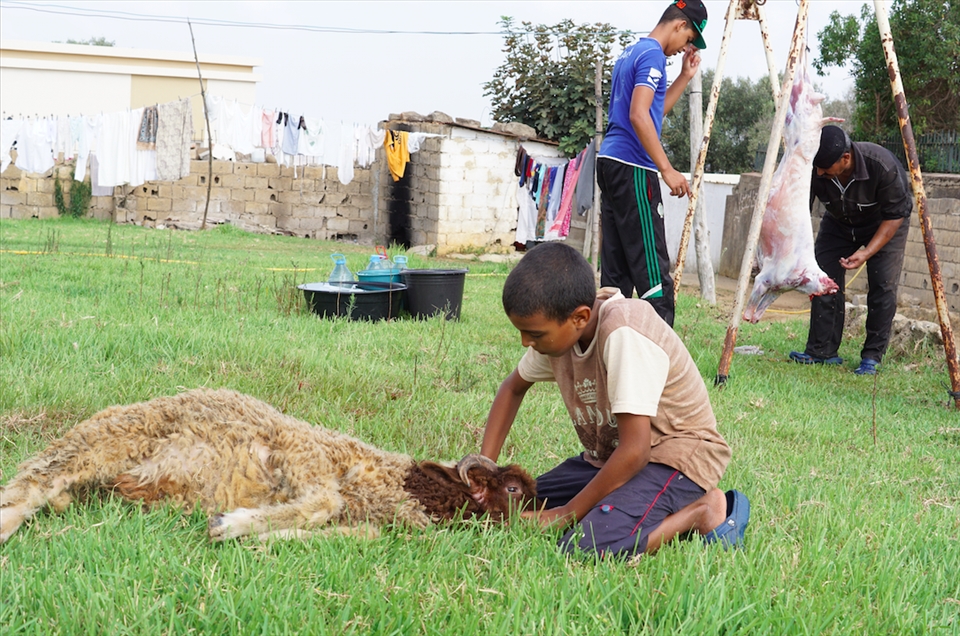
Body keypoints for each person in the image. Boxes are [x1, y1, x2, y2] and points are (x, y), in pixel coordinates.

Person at [478, 242, 748, 558]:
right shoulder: (558, 333)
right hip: (612, 460)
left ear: (580, 317)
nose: (526, 342)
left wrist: (566, 513)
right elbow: (512, 388)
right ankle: (625, 505)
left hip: (676, 459)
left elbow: (636, 450)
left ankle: (701, 510)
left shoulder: (623, 331)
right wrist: (485, 473)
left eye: (534, 334)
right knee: (513, 503)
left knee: (587, 544)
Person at [597, 0, 708, 327]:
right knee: (652, 272)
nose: (685, 48)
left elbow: (652, 112)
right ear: (680, 24)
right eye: (689, 38)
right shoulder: (653, 55)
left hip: (610, 161)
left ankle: (610, 342)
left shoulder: (630, 53)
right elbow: (638, 115)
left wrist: (684, 77)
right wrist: (667, 169)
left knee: (615, 274)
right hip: (632, 167)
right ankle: (660, 349)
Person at [789, 125, 913, 376]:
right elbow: (799, 210)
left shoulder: (882, 165)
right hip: (838, 223)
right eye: (817, 167)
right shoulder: (815, 168)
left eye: (825, 168)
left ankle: (872, 357)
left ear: (845, 158)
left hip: (884, 224)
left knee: (882, 284)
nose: (819, 172)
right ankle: (821, 351)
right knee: (823, 277)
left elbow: (896, 214)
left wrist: (867, 252)